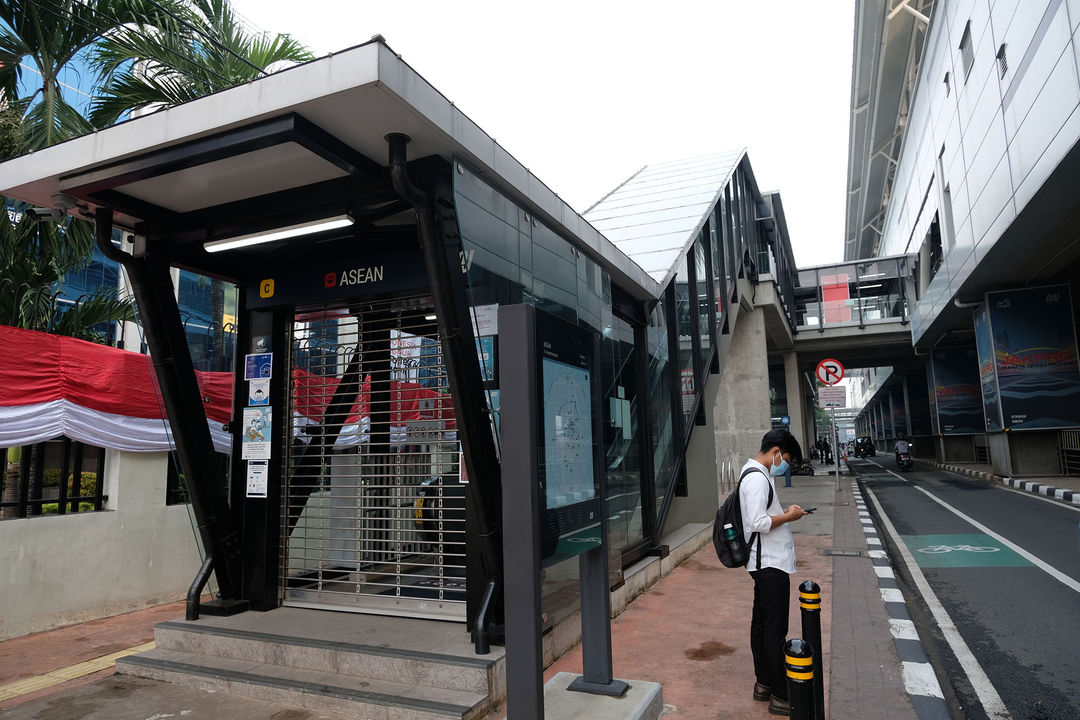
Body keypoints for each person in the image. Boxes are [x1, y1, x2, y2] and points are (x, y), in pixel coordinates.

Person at [739, 428, 810, 717]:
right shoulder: (757, 478)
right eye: (786, 458)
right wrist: (790, 516)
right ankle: (781, 694)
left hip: (765, 562)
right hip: (769, 564)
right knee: (773, 629)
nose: (784, 464)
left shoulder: (756, 473)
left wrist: (786, 512)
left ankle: (764, 683)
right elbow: (757, 521)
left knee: (762, 625)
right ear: (775, 451)